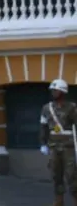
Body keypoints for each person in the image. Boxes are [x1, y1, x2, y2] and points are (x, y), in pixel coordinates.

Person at [42, 78, 77, 206]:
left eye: (56, 91)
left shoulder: (72, 107)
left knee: (72, 175)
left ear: (63, 92)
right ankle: (58, 201)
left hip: (69, 147)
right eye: (53, 90)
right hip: (53, 146)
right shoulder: (46, 108)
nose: (53, 93)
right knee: (56, 175)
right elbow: (43, 126)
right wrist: (42, 143)